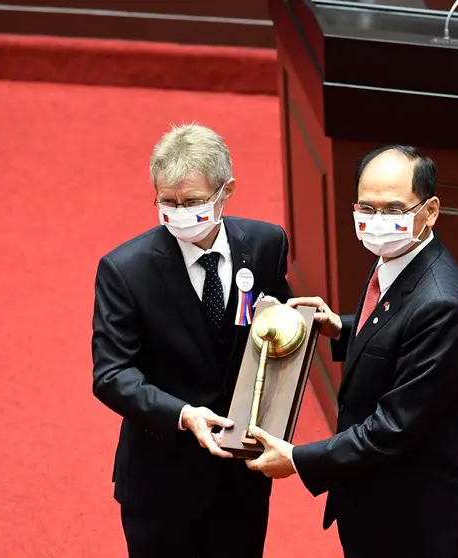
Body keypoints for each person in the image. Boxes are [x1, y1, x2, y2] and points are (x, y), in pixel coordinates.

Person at [246, 145, 458, 557]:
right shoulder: (397, 259)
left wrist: (297, 458)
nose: (377, 222)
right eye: (367, 208)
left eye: (393, 210)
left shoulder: (440, 304)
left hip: (422, 529)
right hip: (378, 508)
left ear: (430, 211)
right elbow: (392, 330)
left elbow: (394, 428)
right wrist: (341, 326)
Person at [91, 123, 293, 558]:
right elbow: (111, 374)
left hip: (241, 478)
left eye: (194, 202)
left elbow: (278, 331)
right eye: (168, 201)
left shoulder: (265, 244)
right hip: (163, 481)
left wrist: (290, 321)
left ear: (227, 191)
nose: (180, 212)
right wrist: (182, 414)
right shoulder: (125, 270)